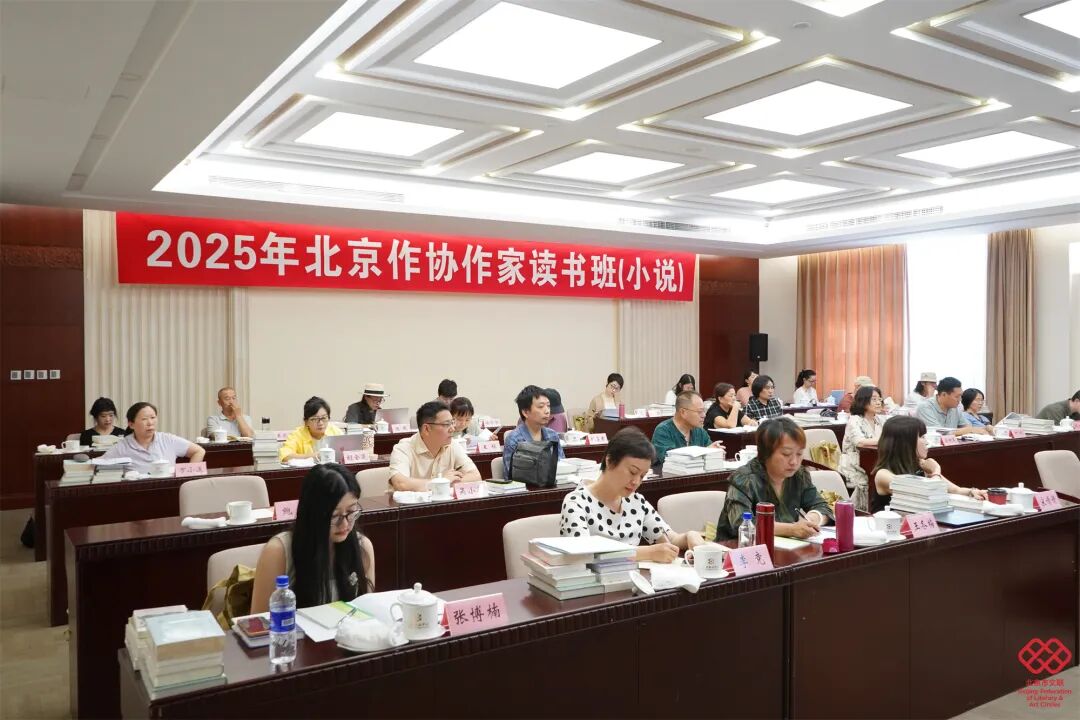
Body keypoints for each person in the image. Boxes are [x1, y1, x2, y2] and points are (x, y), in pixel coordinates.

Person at [560, 428, 706, 561]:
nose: (636, 482)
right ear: (610, 461)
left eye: (642, 476)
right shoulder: (576, 502)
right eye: (632, 472)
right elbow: (582, 554)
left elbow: (669, 539)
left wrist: (689, 535)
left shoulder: (635, 501)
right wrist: (647, 553)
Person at [250, 463, 375, 613]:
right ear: (312, 514)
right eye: (334, 516)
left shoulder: (362, 547)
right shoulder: (278, 552)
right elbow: (259, 619)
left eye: (351, 511)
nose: (345, 524)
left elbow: (367, 612)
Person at [716, 417, 834, 541]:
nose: (794, 462)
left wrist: (812, 520)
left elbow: (822, 507)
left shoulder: (799, 475)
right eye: (786, 454)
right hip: (740, 547)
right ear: (766, 453)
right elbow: (741, 523)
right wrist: (792, 529)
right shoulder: (744, 479)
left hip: (786, 547)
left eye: (799, 454)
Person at [872, 416, 987, 512]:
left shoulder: (921, 465)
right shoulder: (883, 475)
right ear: (906, 443)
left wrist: (972, 492)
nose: (927, 442)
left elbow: (955, 490)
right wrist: (936, 471)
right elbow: (927, 493)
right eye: (922, 437)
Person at [389, 401, 481, 491]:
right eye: (447, 424)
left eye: (452, 422)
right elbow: (400, 483)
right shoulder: (403, 449)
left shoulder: (452, 445)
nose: (452, 429)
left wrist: (445, 483)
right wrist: (441, 482)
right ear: (426, 429)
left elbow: (476, 476)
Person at [100, 402, 205, 473]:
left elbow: (199, 451)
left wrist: (188, 476)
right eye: (144, 419)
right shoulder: (123, 446)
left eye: (153, 417)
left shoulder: (168, 439)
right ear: (131, 424)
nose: (150, 423)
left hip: (170, 491)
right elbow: (99, 462)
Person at [503, 385, 565, 477]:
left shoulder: (553, 435)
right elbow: (510, 477)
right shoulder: (514, 439)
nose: (547, 411)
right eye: (541, 407)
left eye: (548, 406)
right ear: (525, 412)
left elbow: (563, 467)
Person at [839, 385, 884, 512]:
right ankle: (864, 512)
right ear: (863, 401)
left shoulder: (879, 419)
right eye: (874, 399)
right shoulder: (854, 420)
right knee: (873, 479)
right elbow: (860, 442)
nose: (878, 402)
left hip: (875, 462)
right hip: (854, 464)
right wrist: (887, 440)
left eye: (879, 399)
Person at [651, 391, 722, 465]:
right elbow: (670, 460)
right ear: (683, 412)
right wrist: (705, 451)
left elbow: (710, 451)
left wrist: (716, 453)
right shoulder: (663, 430)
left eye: (704, 411)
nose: (704, 415)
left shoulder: (699, 431)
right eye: (699, 411)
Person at [916, 376, 988, 436]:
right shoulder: (925, 407)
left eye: (960, 396)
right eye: (957, 397)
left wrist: (971, 430)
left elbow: (967, 426)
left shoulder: (955, 408)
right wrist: (968, 430)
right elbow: (938, 432)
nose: (960, 400)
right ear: (944, 394)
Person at [280, 397, 343, 462]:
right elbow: (285, 457)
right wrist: (315, 456)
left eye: (324, 418)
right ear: (306, 422)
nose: (320, 423)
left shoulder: (335, 432)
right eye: (315, 419)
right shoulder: (297, 435)